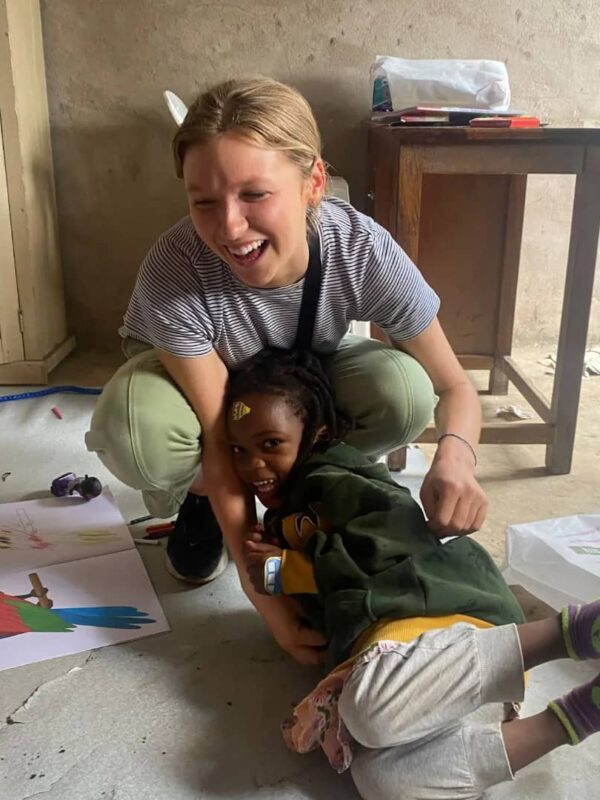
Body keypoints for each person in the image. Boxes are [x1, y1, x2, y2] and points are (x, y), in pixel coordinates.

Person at [86, 76, 487, 666]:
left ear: (312, 182)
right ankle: (196, 499)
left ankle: (316, 487)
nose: (229, 227)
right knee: (137, 427)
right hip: (206, 390)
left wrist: (456, 457)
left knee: (403, 391)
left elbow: (455, 384)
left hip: (295, 375)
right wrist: (264, 594)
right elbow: (224, 437)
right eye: (204, 202)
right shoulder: (176, 269)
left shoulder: (361, 250)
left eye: (254, 194)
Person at [226, 347, 600, 800]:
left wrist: (293, 569)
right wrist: (276, 576)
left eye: (271, 444)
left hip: (440, 624)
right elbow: (322, 615)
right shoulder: (283, 516)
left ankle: (572, 632)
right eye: (238, 450)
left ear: (315, 435)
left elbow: (389, 533)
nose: (253, 465)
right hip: (431, 687)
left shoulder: (336, 474)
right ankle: (581, 714)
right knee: (381, 781)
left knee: (367, 712)